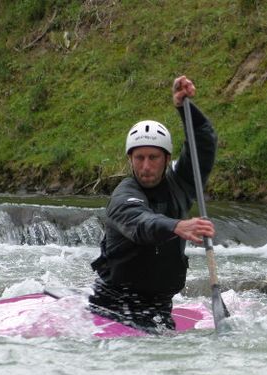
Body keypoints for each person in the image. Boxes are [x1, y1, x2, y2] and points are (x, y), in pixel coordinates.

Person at [89, 75, 217, 333]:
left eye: (153, 157)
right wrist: (176, 226)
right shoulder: (123, 196)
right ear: (130, 159)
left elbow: (203, 143)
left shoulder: (182, 185)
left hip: (159, 308)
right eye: (139, 158)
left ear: (167, 158)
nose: (146, 166)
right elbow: (142, 224)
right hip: (114, 307)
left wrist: (185, 108)